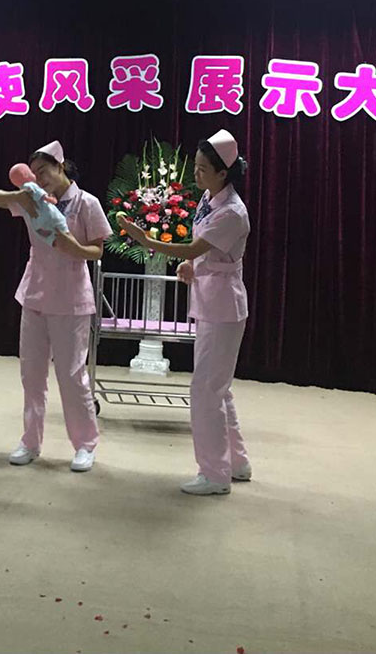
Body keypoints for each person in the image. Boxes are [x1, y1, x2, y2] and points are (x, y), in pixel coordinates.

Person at [118, 128, 251, 496]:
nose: (196, 174)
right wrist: (193, 266)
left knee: (207, 390)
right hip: (211, 300)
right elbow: (205, 251)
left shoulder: (232, 212)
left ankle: (215, 474)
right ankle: (236, 462)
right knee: (218, 389)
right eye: (196, 166)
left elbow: (194, 248)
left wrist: (148, 240)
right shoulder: (210, 199)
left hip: (223, 306)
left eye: (203, 169)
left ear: (223, 173)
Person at [0, 140, 111, 473]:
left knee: (71, 375)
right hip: (35, 292)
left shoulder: (87, 203)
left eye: (44, 172)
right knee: (31, 373)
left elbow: (97, 250)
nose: (40, 179)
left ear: (61, 167)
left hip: (71, 297)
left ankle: (85, 444)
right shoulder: (33, 197)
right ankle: (30, 441)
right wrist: (19, 195)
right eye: (35, 173)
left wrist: (73, 247)